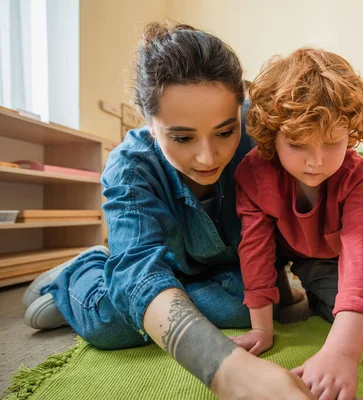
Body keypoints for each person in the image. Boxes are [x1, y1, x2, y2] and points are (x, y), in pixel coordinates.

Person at [21, 22, 313, 400]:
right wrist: (224, 368)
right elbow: (141, 275)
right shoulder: (130, 166)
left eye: (225, 132)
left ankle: (166, 290)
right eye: (182, 137)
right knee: (109, 325)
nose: (209, 157)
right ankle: (84, 272)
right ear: (148, 121)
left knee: (252, 306)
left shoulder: (259, 134)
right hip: (160, 262)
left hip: (225, 267)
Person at [232, 48, 363, 400]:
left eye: (332, 143)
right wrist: (262, 329)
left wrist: (342, 353)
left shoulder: (356, 173)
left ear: (350, 134)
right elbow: (254, 249)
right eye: (298, 144)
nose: (316, 161)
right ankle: (317, 297)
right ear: (273, 136)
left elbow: (362, 253)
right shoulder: (253, 173)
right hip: (311, 256)